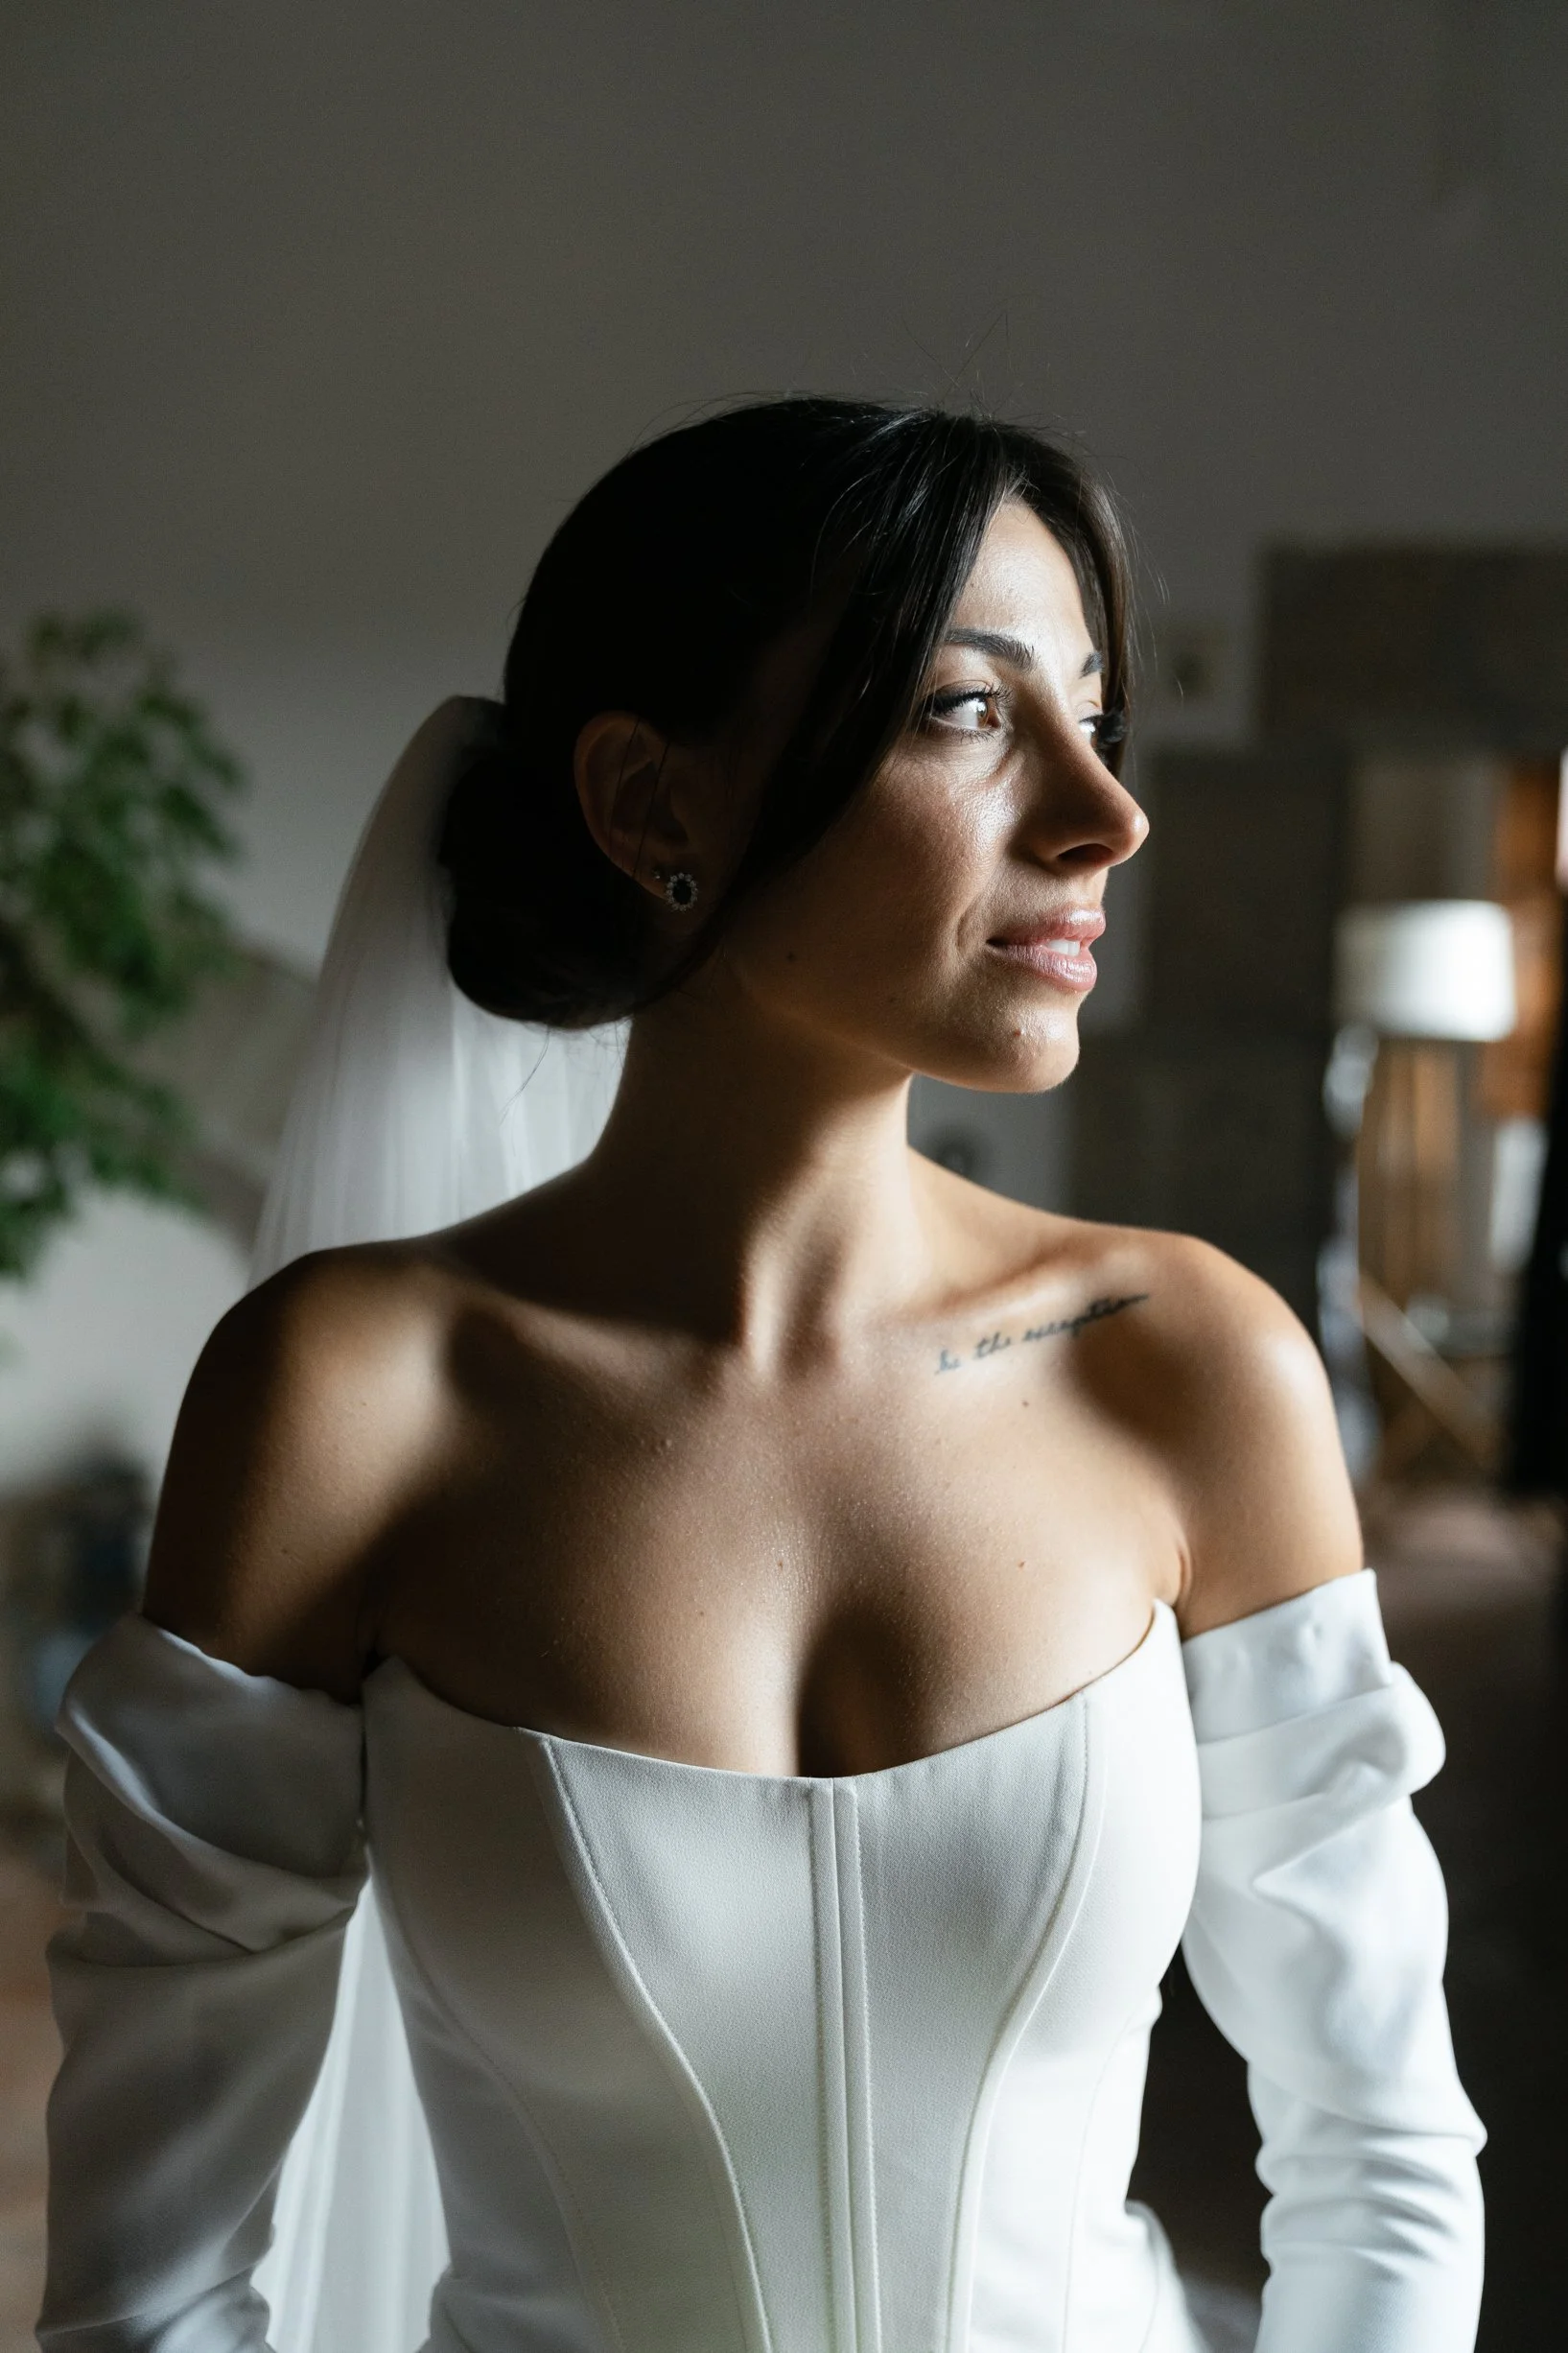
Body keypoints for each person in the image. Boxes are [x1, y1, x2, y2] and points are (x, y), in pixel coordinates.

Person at [40, 400, 1484, 2353]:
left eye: (1095, 712)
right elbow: (153, 2287)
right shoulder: (352, 1396)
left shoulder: (1188, 1363)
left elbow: (1380, 2148)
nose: (1104, 811)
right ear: (653, 805)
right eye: (967, 713)